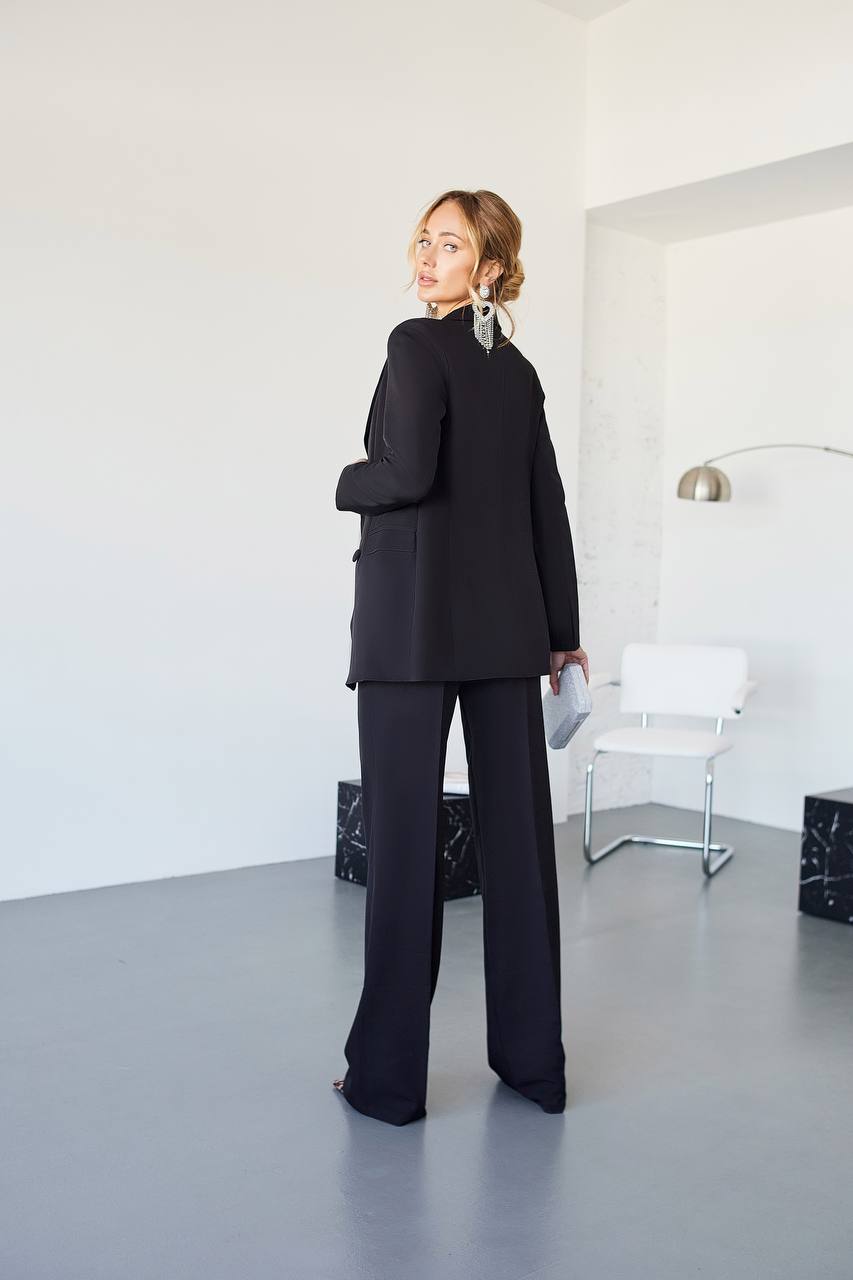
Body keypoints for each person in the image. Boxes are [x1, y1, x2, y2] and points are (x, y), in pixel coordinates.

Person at [332, 188, 588, 1126]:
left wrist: (341, 483)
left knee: (403, 854)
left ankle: (388, 1084)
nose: (427, 256)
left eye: (450, 245)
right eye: (424, 239)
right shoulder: (517, 373)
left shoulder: (412, 343)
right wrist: (562, 635)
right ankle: (533, 1067)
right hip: (508, 631)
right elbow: (545, 511)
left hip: (408, 629)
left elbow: (401, 475)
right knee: (519, 848)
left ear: (487, 269)